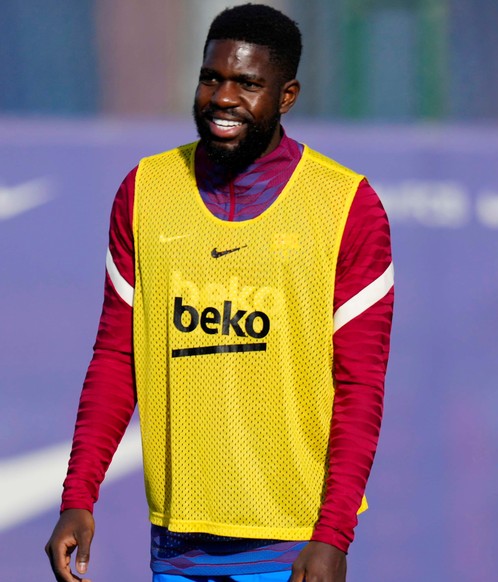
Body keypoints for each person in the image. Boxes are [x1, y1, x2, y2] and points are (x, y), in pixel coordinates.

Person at [45, 4, 394, 581]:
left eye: (248, 84)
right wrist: (78, 495)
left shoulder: (347, 207)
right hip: (177, 544)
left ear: (287, 96)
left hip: (292, 547)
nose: (223, 98)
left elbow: (360, 388)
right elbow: (115, 357)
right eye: (212, 78)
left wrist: (332, 535)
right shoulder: (145, 191)